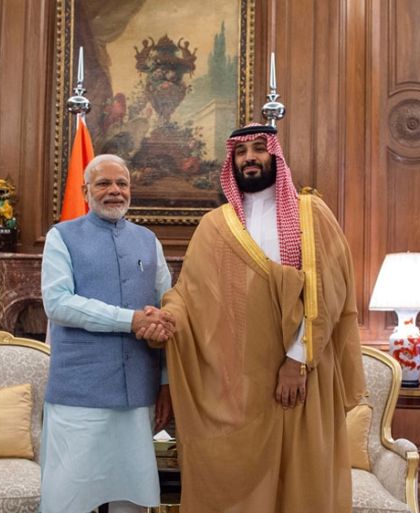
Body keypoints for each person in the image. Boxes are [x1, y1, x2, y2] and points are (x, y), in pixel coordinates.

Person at [141, 123, 366, 512]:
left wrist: (296, 360)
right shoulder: (216, 225)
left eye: (259, 148)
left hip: (303, 374)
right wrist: (166, 319)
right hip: (242, 379)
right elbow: (191, 293)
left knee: (302, 480)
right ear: (232, 162)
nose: (250, 158)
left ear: (274, 154)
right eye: (241, 152)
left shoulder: (312, 214)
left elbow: (329, 292)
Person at [40, 153, 176, 513]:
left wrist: (165, 383)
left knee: (131, 500)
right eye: (104, 183)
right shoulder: (61, 236)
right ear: (85, 191)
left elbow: (165, 311)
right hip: (78, 393)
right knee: (67, 499)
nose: (115, 190)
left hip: (138, 392)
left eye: (122, 183)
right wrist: (130, 320)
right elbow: (58, 303)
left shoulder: (148, 240)